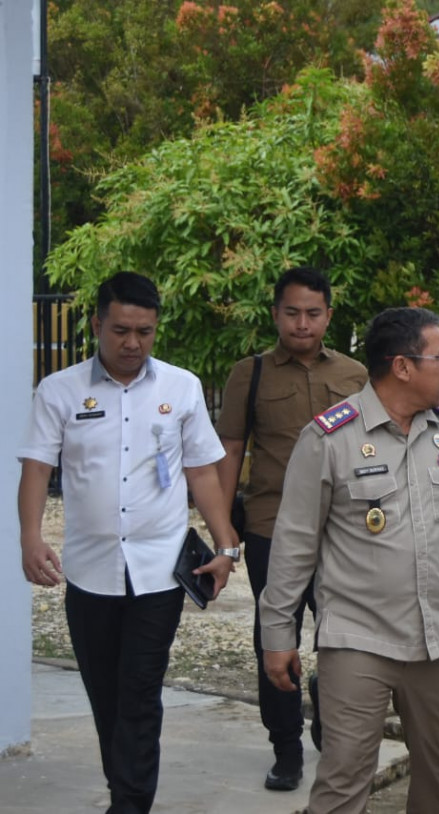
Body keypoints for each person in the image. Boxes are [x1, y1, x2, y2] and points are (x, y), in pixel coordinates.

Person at [260, 306, 439, 814]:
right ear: (402, 366)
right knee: (344, 776)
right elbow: (294, 546)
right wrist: (277, 637)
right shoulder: (330, 438)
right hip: (358, 638)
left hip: (437, 641)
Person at [18, 271, 239, 814]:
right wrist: (28, 537)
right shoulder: (60, 391)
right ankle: (124, 788)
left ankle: (131, 802)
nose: (133, 343)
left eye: (145, 331)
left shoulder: (180, 388)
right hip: (89, 572)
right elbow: (35, 469)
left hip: (159, 570)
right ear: (97, 323)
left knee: (140, 689)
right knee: (106, 693)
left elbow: (203, 472)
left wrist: (225, 544)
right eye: (121, 330)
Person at [215, 266, 367, 791]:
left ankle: (331, 721)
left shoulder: (355, 375)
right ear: (276, 313)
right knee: (275, 638)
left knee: (345, 636)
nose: (303, 323)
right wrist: (222, 532)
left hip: (344, 532)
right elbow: (231, 448)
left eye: (314, 313)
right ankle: (285, 748)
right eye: (292, 313)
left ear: (328, 315)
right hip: (271, 528)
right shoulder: (249, 373)